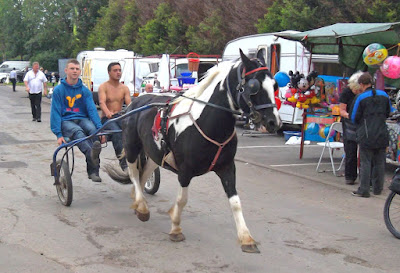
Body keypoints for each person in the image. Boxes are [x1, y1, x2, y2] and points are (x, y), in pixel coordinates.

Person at [50, 59, 105, 182]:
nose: (74, 71)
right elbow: (55, 112)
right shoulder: (59, 90)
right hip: (66, 121)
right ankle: (90, 153)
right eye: (72, 69)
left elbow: (92, 110)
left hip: (82, 118)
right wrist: (58, 134)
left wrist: (99, 129)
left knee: (92, 130)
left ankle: (93, 171)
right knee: (78, 132)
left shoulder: (85, 90)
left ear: (80, 71)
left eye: (77, 69)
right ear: (66, 71)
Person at [350, 72, 392, 197]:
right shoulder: (384, 95)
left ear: (362, 84)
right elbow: (389, 111)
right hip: (382, 132)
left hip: (366, 133)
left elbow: (354, 117)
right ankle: (378, 188)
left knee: (366, 162)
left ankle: (364, 190)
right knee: (380, 161)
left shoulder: (361, 97)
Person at [98, 62, 131, 171]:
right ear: (109, 72)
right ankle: (124, 165)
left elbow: (130, 105)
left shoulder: (124, 88)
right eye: (115, 70)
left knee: (133, 130)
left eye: (119, 70)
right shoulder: (104, 87)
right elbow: (102, 102)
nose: (118, 72)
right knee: (117, 132)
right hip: (107, 119)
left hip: (119, 117)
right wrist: (107, 113)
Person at [339, 71, 363, 185]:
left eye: (360, 90)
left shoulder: (365, 92)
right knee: (350, 150)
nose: (358, 92)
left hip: (362, 123)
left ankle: (364, 176)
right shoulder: (346, 92)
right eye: (356, 90)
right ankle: (350, 176)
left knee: (364, 151)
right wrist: (350, 115)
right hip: (349, 122)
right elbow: (341, 110)